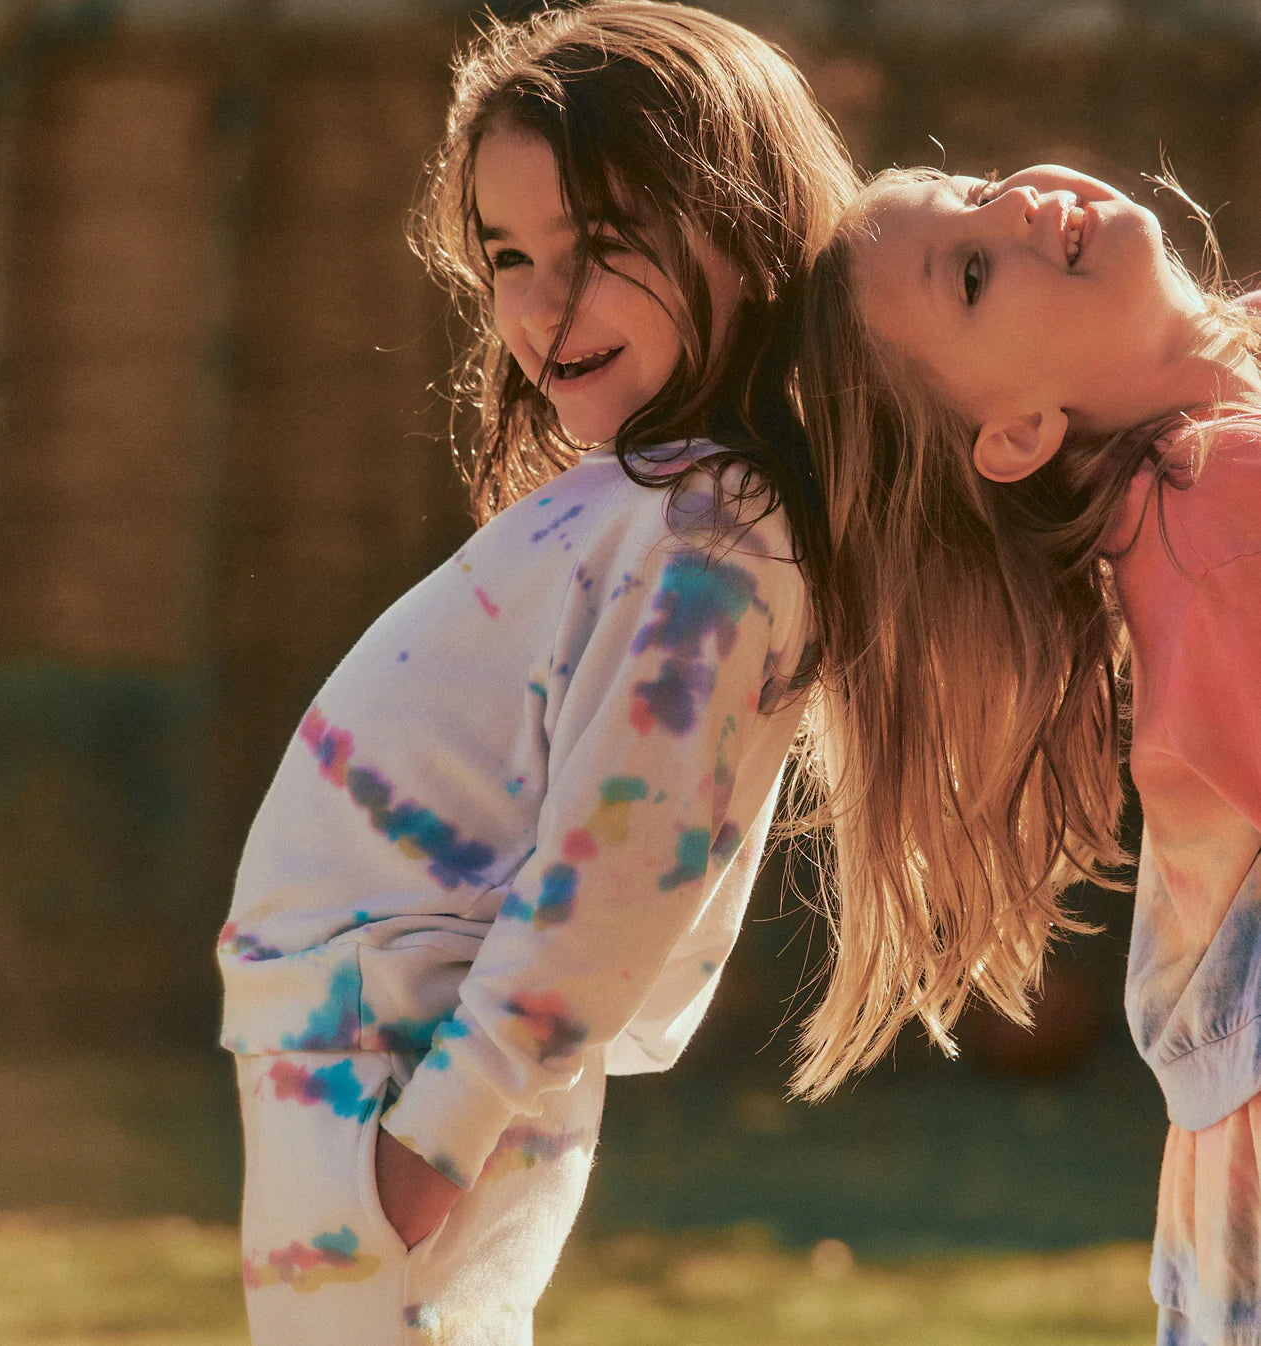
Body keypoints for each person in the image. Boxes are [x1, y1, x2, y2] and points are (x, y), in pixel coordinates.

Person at [217, 3, 858, 1341]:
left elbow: (618, 859)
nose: (538, 305)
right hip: (366, 1049)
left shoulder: (715, 535)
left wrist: (428, 1144)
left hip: (406, 1074)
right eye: (508, 254)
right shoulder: (656, 501)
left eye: (601, 246)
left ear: (745, 227)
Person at [795, 161, 1261, 1345]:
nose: (1016, 207)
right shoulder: (1215, 517)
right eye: (968, 272)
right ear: (1015, 433)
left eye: (974, 186)